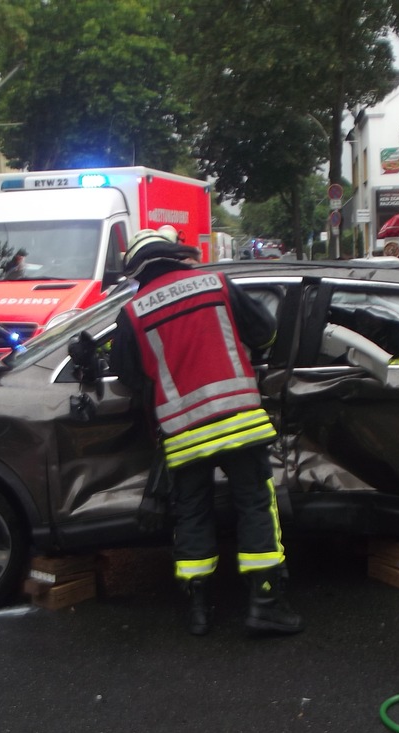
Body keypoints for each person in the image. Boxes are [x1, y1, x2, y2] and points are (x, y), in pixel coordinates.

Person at [110, 228, 303, 636]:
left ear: (139, 271)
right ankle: (265, 602)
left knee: (192, 512)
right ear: (174, 257)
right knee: (255, 505)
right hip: (238, 419)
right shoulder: (215, 283)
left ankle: (198, 610)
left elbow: (128, 374)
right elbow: (264, 332)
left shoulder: (132, 313)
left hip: (182, 432)